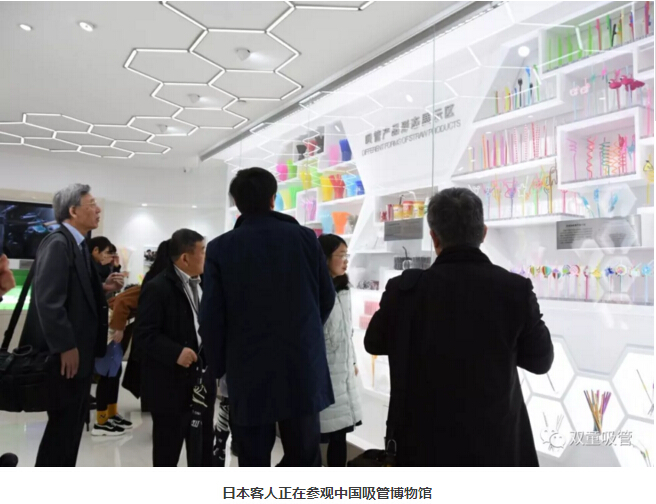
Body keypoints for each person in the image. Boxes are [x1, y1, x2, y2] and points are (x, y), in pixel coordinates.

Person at [364, 187, 554, 467]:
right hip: (496, 447)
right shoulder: (514, 289)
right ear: (483, 233)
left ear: (434, 237)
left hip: (423, 445)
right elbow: (541, 361)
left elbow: (373, 342)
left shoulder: (405, 290)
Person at [200, 167, 336, 467]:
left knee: (252, 458)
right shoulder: (305, 238)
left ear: (237, 203)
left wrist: (220, 367)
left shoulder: (221, 248)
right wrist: (306, 334)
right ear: (274, 198)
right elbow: (326, 297)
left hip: (247, 368)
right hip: (301, 365)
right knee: (304, 457)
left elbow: (211, 316)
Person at [19, 184, 123, 466]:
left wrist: (102, 288)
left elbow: (73, 291)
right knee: (62, 429)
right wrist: (65, 345)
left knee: (71, 428)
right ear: (73, 211)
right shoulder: (58, 243)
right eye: (92, 204)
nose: (98, 210)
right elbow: (49, 301)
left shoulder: (77, 245)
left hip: (81, 355)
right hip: (66, 358)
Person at [134, 229, 215, 467]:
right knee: (167, 452)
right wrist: (175, 353)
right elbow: (144, 334)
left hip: (202, 382)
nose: (206, 256)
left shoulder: (205, 283)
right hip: (170, 386)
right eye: (202, 251)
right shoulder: (158, 287)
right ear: (185, 258)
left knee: (202, 450)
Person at [317, 234, 363, 467]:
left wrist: (352, 361)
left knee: (340, 434)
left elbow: (346, 332)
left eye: (347, 255)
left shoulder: (344, 289)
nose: (345, 261)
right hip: (323, 374)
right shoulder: (315, 290)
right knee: (317, 436)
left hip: (342, 373)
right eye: (341, 255)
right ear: (325, 257)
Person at [87, 236, 131, 436]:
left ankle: (111, 414)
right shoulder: (89, 270)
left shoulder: (101, 271)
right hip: (102, 330)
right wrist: (106, 287)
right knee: (106, 374)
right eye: (107, 253)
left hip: (106, 327)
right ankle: (102, 420)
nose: (110, 257)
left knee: (114, 373)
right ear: (95, 251)